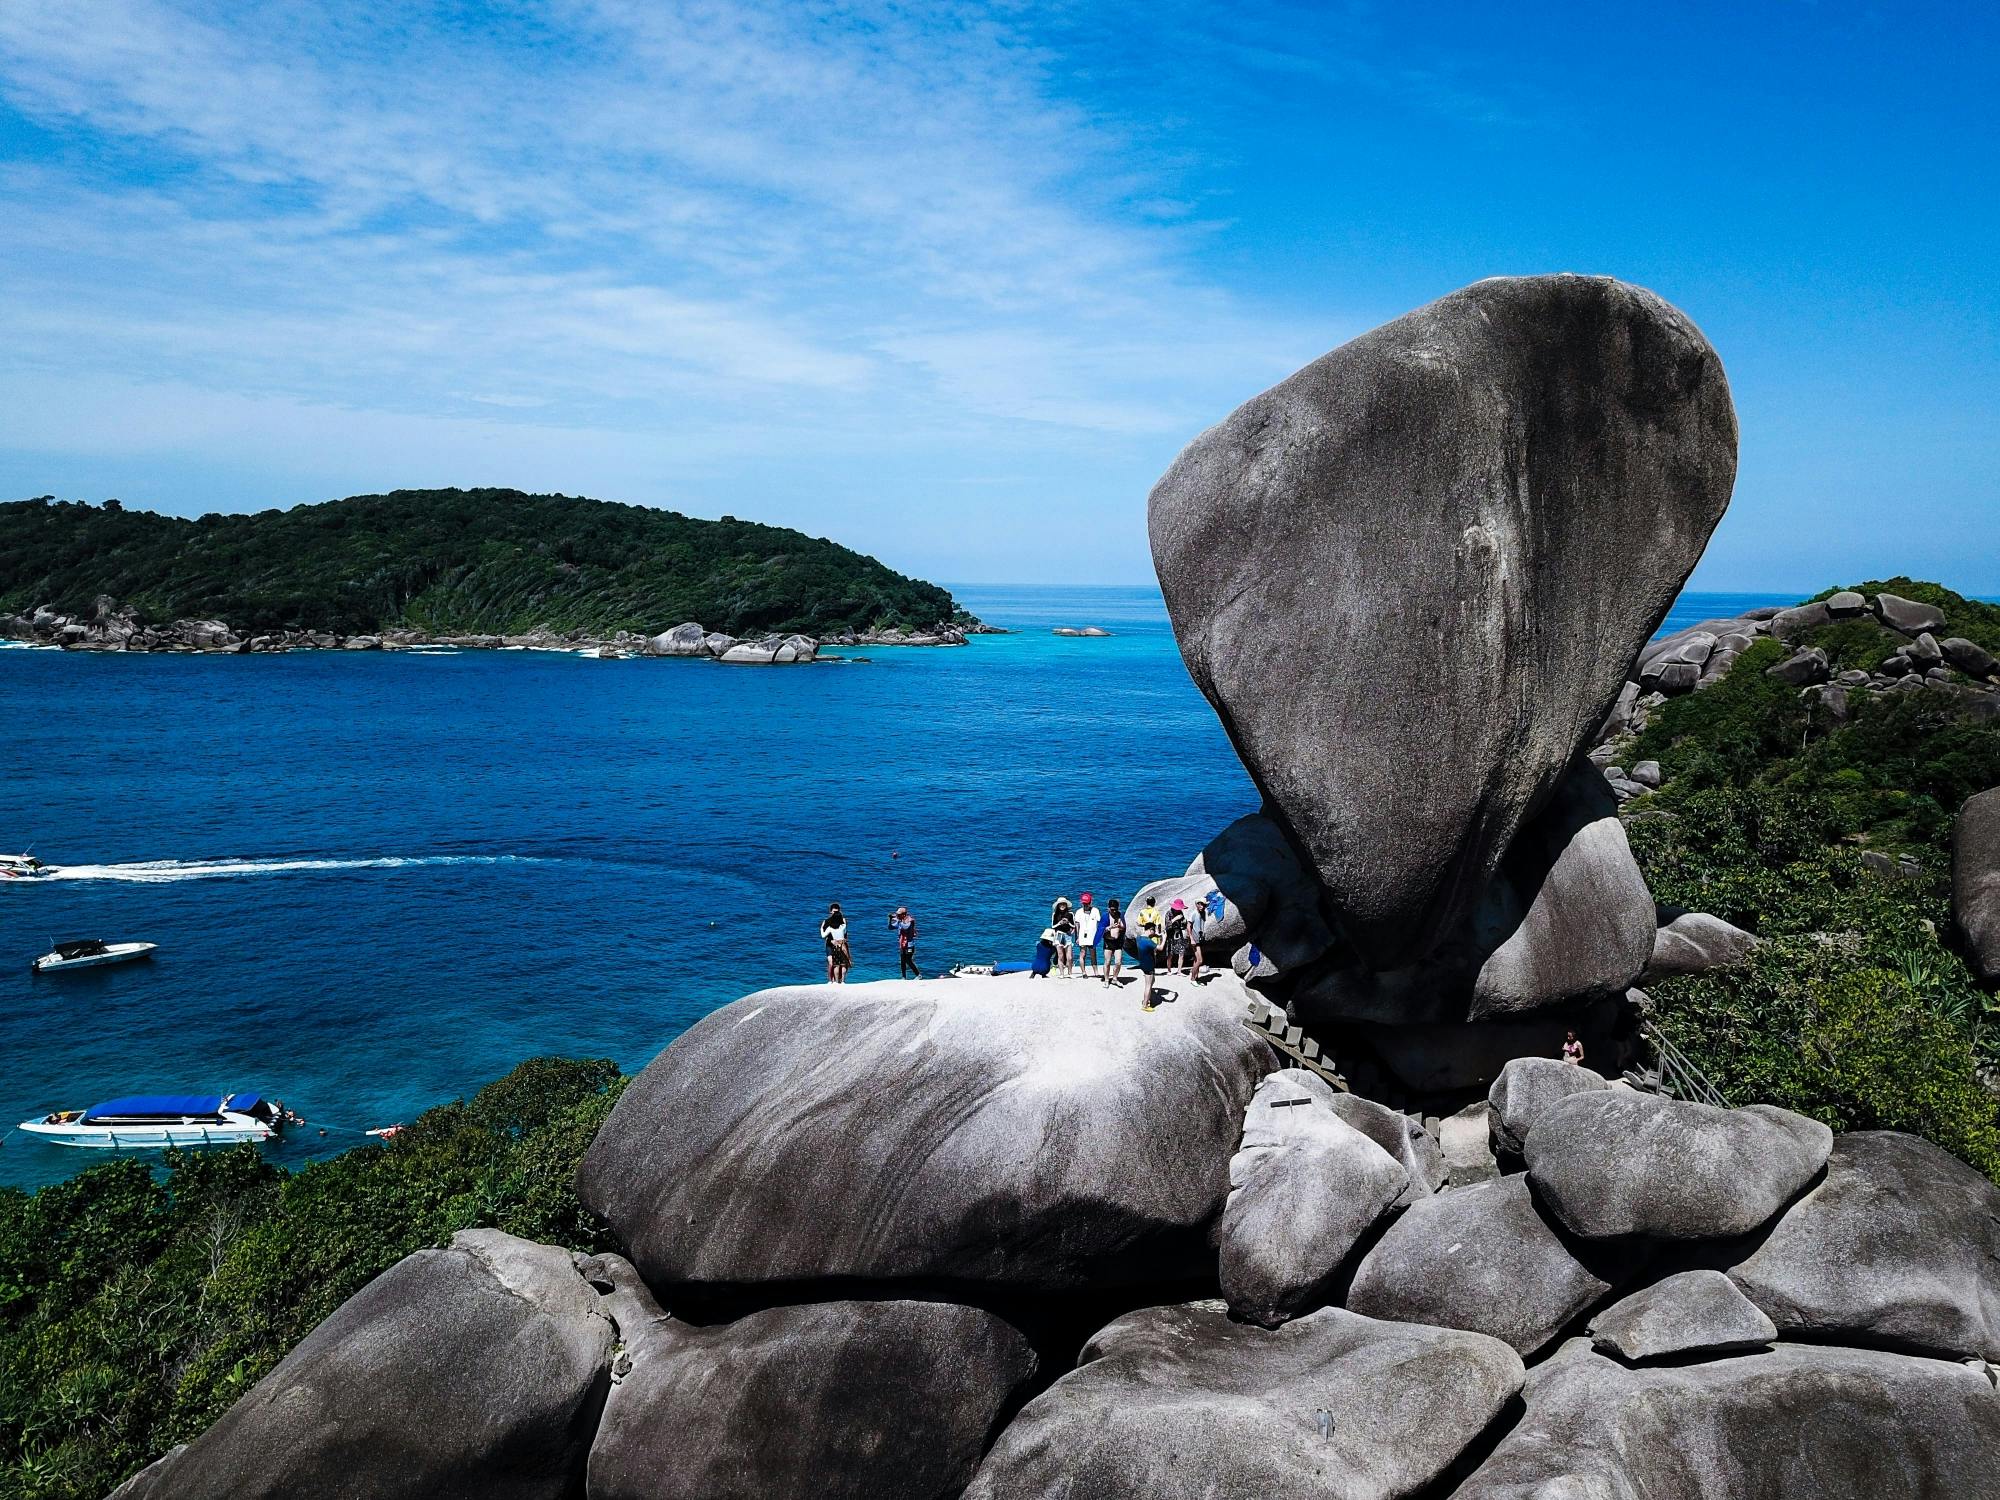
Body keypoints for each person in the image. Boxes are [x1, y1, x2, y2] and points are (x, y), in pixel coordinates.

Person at [1134, 896, 1165, 1011]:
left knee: (1152, 979)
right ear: (1154, 902)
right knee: (1148, 982)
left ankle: (1148, 995)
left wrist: (1146, 927)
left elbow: (1138, 923)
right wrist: (1162, 937)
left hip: (1143, 956)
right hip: (1151, 947)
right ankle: (1145, 1004)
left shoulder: (1142, 913)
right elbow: (1159, 927)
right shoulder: (1156, 912)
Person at [1073, 892, 1105, 977]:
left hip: (1092, 936)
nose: (1085, 905)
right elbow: (1077, 925)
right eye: (1084, 904)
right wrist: (1077, 937)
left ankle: (1096, 972)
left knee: (1093, 954)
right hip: (1082, 936)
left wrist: (1099, 936)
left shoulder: (1095, 911)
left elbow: (1099, 923)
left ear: (1090, 902)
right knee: (1082, 953)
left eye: (1087, 903)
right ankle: (1083, 972)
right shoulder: (1078, 912)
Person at [821, 902, 851, 983]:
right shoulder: (826, 921)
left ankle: (840, 980)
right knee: (831, 963)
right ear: (830, 911)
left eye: (837, 911)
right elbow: (825, 936)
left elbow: (845, 932)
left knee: (844, 962)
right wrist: (831, 941)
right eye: (834, 911)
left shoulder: (843, 920)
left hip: (841, 943)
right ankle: (831, 980)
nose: (835, 913)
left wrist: (845, 940)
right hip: (830, 944)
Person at [888, 905, 920, 978]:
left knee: (908, 960)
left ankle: (918, 975)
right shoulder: (900, 921)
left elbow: (905, 927)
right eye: (897, 914)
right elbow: (890, 927)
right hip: (902, 945)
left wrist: (898, 920)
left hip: (909, 946)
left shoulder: (910, 921)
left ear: (904, 914)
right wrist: (890, 920)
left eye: (899, 914)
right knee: (902, 961)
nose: (897, 915)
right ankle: (904, 977)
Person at [1101, 899, 1126, 986]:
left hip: (1118, 942)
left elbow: (1124, 928)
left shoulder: (1120, 915)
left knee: (1118, 961)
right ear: (1108, 908)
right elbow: (1100, 930)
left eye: (1115, 909)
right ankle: (1106, 980)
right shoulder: (1105, 917)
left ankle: (1114, 978)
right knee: (1107, 962)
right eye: (1112, 910)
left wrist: (1120, 926)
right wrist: (1109, 927)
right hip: (1108, 941)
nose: (1114, 911)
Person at [1051, 896, 1076, 978]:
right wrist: (1059, 923)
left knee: (1069, 957)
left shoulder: (1070, 914)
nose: (1062, 905)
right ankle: (1062, 974)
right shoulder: (1055, 914)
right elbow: (1053, 926)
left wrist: (1068, 922)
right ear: (1058, 905)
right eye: (1060, 904)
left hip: (1067, 935)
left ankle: (1070, 973)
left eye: (1063, 904)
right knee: (1060, 956)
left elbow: (1073, 926)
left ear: (1066, 905)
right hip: (1059, 935)